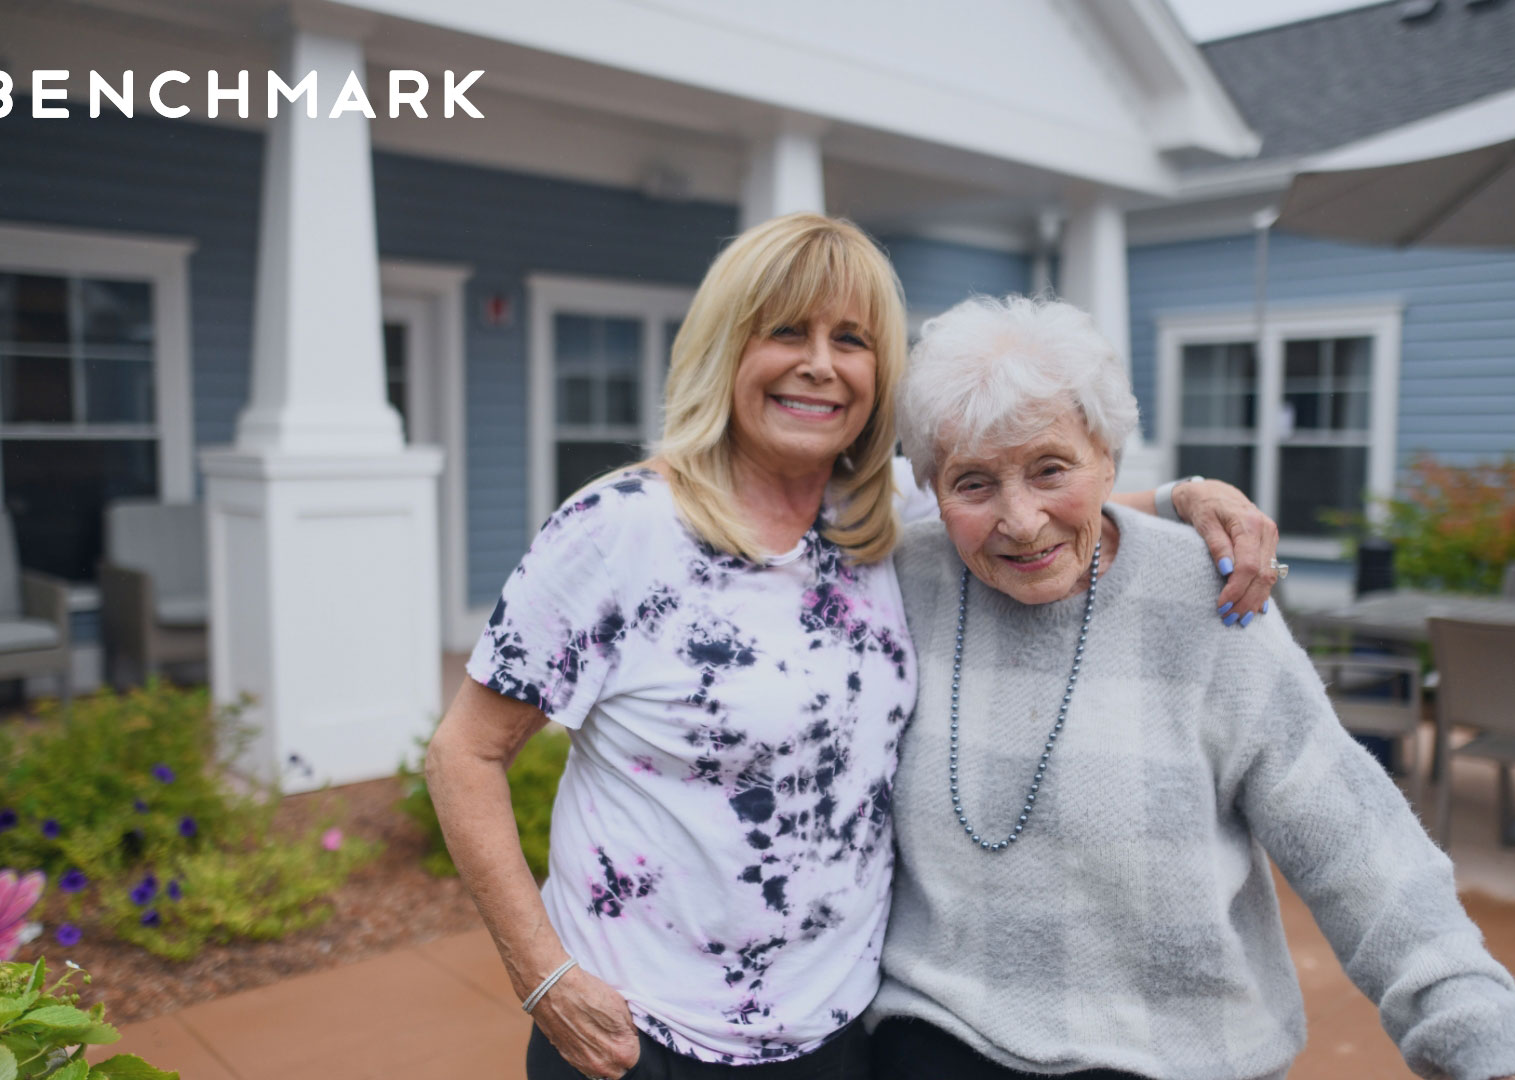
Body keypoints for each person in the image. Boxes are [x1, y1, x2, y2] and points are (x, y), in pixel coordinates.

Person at [424, 214, 1280, 1080]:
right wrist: (543, 975)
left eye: (853, 340)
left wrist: (1189, 497)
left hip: (834, 1033)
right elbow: (464, 754)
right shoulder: (618, 531)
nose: (821, 364)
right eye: (787, 331)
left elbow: (1032, 491)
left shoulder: (880, 516)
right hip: (640, 1037)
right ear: (726, 348)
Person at [869, 294, 1515, 1080]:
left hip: (1180, 1056)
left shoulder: (1205, 597)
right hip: (942, 1039)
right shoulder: (902, 582)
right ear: (932, 487)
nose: (1021, 520)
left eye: (1050, 469)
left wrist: (1481, 1036)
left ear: (1107, 456)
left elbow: (1352, 838)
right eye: (973, 484)